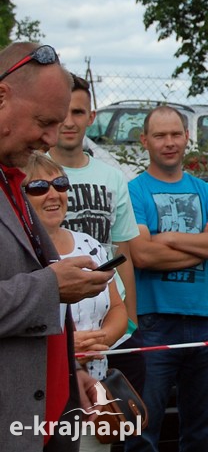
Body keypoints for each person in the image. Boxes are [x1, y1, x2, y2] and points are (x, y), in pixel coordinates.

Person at [0, 42, 114, 452]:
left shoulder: (13, 180)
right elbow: (41, 286)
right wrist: (51, 287)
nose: (51, 140)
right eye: (44, 122)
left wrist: (66, 374)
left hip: (54, 414)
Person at [125, 106, 208, 452]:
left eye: (176, 134)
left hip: (205, 323)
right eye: (160, 135)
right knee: (142, 432)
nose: (169, 142)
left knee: (200, 433)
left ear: (187, 138)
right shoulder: (134, 191)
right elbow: (142, 255)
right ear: (145, 141)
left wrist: (166, 237)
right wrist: (205, 246)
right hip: (152, 323)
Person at [25, 152, 128, 452]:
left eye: (60, 184)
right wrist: (68, 346)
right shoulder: (24, 252)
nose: (53, 194)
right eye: (38, 188)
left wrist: (102, 339)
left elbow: (119, 310)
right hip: (45, 392)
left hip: (95, 390)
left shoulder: (90, 245)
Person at [48, 74, 142, 394]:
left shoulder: (113, 178)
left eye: (78, 113)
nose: (69, 122)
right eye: (63, 112)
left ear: (91, 117)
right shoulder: (36, 173)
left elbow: (123, 252)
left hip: (108, 319)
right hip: (58, 314)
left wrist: (129, 320)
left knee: (108, 427)